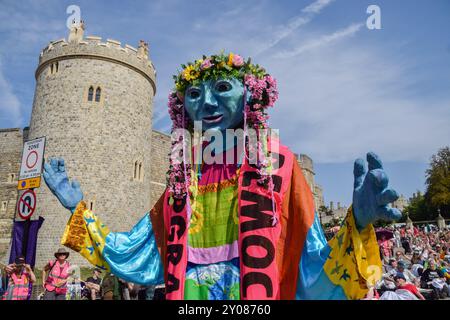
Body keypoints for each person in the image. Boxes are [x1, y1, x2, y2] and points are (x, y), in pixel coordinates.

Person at [43, 52, 402, 300]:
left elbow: (308, 258)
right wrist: (80, 212)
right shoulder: (183, 174)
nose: (207, 104)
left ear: (251, 97)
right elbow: (138, 250)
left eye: (223, 89)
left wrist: (358, 222)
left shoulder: (278, 163)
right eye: (195, 94)